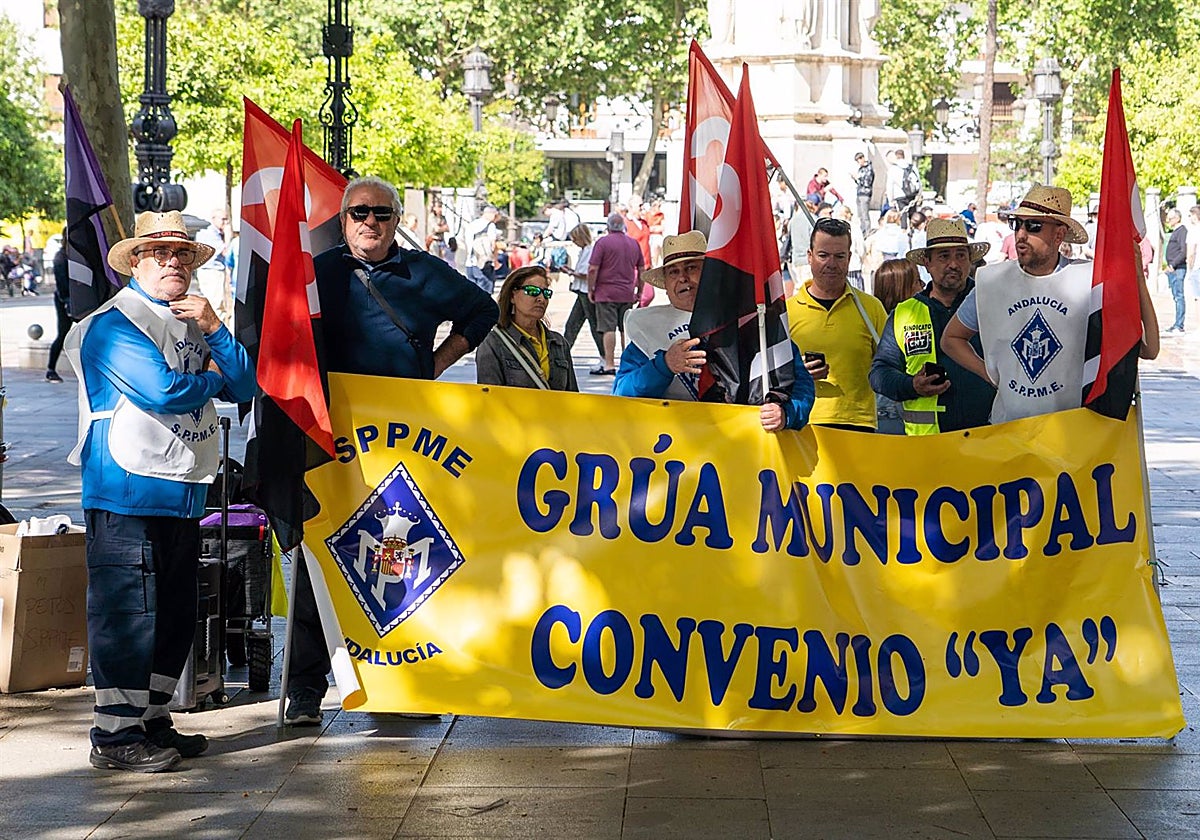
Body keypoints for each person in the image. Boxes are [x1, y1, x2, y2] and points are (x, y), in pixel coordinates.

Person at [289, 176, 498, 725]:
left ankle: (406, 681)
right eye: (359, 213)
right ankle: (305, 688)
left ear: (397, 219)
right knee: (322, 550)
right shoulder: (318, 273)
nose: (369, 223)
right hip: (331, 437)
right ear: (343, 219)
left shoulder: (425, 272)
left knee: (403, 557)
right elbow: (280, 328)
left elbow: (483, 310)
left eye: (381, 213)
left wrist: (436, 363)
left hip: (404, 439)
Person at [65, 210, 256, 772]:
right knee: (128, 608)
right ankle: (114, 733)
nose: (173, 262)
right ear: (137, 264)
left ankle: (150, 718)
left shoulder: (192, 319)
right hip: (124, 487)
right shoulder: (112, 323)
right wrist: (215, 378)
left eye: (183, 254)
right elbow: (165, 390)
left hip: (181, 488)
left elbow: (248, 383)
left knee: (172, 611)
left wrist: (217, 329)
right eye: (160, 254)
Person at [941, 185, 1159, 424]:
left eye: (1033, 226)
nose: (1021, 234)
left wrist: (1137, 277)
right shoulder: (992, 282)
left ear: (1058, 235)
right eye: (1017, 224)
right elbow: (951, 339)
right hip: (1009, 429)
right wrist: (992, 375)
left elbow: (1149, 348)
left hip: (1071, 432)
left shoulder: (1090, 282)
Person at [614, 230, 815, 431]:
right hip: (673, 452)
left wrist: (786, 414)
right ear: (665, 285)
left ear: (712, 275)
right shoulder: (648, 331)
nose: (683, 278)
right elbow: (621, 394)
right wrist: (664, 365)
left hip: (741, 446)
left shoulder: (752, 320)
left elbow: (800, 385)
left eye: (691, 268)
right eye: (673, 272)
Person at [870, 219, 994, 435]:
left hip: (988, 438)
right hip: (927, 446)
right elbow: (880, 373)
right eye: (944, 256)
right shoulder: (904, 313)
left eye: (960, 255)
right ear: (927, 263)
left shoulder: (992, 303)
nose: (953, 264)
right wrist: (911, 385)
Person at [786, 216, 887, 432]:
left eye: (839, 256)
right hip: (803, 423)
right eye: (823, 255)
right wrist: (797, 372)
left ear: (849, 258)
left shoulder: (870, 309)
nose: (831, 264)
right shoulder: (786, 312)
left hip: (858, 424)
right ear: (810, 257)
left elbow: (889, 365)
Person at [476, 265, 578, 391]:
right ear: (512, 296)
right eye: (532, 291)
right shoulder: (493, 343)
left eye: (546, 293)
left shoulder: (559, 343)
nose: (541, 299)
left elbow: (572, 397)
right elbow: (490, 398)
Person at [866, 258, 923, 433]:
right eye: (917, 282)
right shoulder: (900, 324)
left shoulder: (874, 318)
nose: (923, 286)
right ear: (903, 288)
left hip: (881, 415)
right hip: (897, 417)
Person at [586, 212, 643, 376]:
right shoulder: (634, 243)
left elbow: (592, 268)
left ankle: (610, 364)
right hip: (627, 292)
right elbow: (641, 268)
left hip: (606, 293)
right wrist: (639, 290)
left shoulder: (602, 243)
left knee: (608, 328)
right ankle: (628, 363)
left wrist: (591, 288)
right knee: (625, 328)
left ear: (608, 226)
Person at [563, 223, 602, 359]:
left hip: (586, 291)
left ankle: (604, 355)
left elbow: (586, 273)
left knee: (590, 324)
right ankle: (563, 352)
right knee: (573, 324)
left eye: (575, 238)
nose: (573, 241)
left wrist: (572, 273)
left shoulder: (589, 251)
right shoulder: (584, 250)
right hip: (582, 291)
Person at [194, 208, 233, 327]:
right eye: (223, 219)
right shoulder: (209, 233)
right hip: (211, 272)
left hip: (214, 271)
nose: (225, 222)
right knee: (216, 305)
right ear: (214, 219)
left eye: (227, 219)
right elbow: (225, 251)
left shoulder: (214, 233)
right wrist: (228, 235)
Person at [46, 232, 72, 383]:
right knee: (63, 333)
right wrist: (66, 300)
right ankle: (51, 369)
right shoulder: (61, 257)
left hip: (73, 299)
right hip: (65, 300)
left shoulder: (70, 256)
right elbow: (62, 282)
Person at [465, 204, 501, 293]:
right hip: (484, 264)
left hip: (470, 263)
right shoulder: (490, 226)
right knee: (485, 294)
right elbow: (493, 245)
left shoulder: (471, 224)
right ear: (491, 214)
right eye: (495, 215)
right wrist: (495, 260)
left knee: (472, 293)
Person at [1164, 208, 1188, 333]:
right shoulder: (1176, 232)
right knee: (1175, 296)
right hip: (1173, 268)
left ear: (1177, 218)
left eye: (1170, 218)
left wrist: (1173, 264)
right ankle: (1176, 324)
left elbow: (1184, 251)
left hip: (1178, 268)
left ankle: (1179, 325)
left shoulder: (1182, 231)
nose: (1168, 221)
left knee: (1179, 296)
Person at [851, 151, 874, 235]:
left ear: (863, 158)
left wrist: (857, 178)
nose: (858, 163)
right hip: (860, 193)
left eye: (859, 160)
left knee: (865, 215)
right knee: (860, 215)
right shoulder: (861, 169)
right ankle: (863, 231)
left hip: (865, 194)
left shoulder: (869, 168)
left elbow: (867, 182)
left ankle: (867, 232)